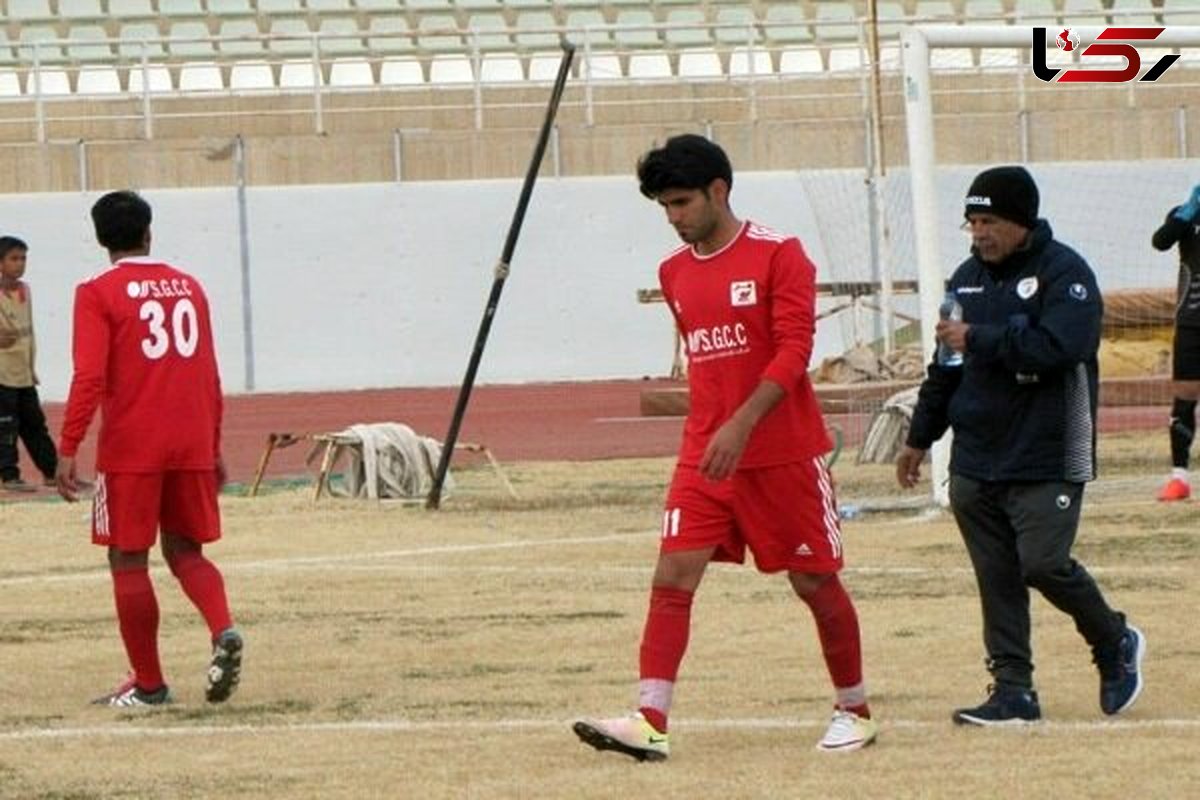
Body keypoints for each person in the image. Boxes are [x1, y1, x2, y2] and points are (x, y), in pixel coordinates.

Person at [573, 134, 876, 760]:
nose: (673, 217)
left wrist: (742, 423)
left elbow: (796, 350)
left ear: (719, 191)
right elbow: (704, 362)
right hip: (705, 458)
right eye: (664, 207)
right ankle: (649, 718)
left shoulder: (779, 254)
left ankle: (856, 710)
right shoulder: (674, 273)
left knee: (814, 581)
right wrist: (717, 430)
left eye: (682, 202)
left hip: (783, 456)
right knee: (672, 575)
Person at [895, 165, 1144, 725]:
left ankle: (1114, 640)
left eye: (990, 221)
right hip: (978, 453)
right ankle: (1013, 691)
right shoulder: (964, 280)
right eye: (973, 222)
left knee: (1043, 563)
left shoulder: (1066, 274)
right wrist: (919, 437)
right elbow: (947, 366)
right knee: (997, 575)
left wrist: (980, 337)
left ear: (1022, 222)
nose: (980, 233)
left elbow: (1065, 346)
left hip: (1050, 447)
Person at [56, 190, 243, 707]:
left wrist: (68, 445)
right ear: (148, 232)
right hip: (190, 438)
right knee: (185, 550)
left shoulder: (96, 291)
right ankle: (223, 628)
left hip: (133, 445)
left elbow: (89, 375)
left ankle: (150, 683)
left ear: (101, 240)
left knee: (127, 557)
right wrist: (213, 442)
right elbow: (208, 370)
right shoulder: (189, 286)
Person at [1152, 182, 1200, 501]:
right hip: (1192, 321)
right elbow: (1160, 241)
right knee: (1184, 396)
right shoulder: (1185, 216)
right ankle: (1179, 477)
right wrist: (1186, 213)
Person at [0, 235, 59, 493]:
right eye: (13, 258)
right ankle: (8, 476)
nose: (20, 264)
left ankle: (52, 471)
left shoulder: (25, 290)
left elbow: (30, 332)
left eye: (23, 258)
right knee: (6, 426)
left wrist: (31, 366)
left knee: (35, 424)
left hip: (21, 372)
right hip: (1, 374)